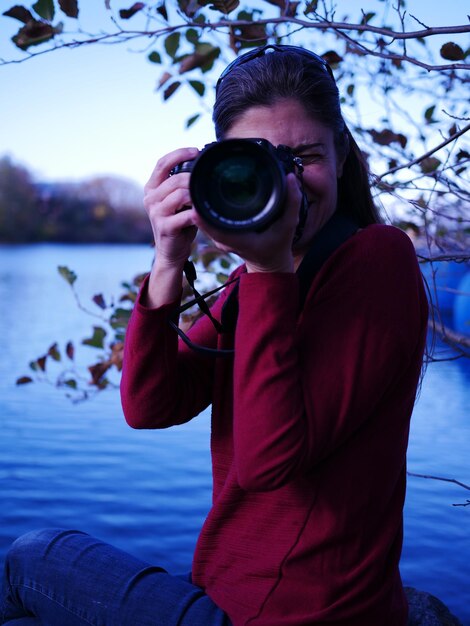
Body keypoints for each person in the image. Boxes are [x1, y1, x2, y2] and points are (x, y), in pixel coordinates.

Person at [1, 45, 428, 626]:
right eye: (267, 161)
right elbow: (149, 405)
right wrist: (167, 264)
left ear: (344, 158)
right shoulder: (258, 279)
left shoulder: (377, 259)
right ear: (227, 169)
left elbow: (265, 462)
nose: (291, 181)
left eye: (305, 156)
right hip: (231, 598)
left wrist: (268, 269)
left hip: (294, 616)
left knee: (29, 560)